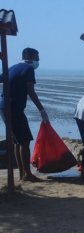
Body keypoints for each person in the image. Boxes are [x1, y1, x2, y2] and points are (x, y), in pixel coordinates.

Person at [0, 47, 48, 182]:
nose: (38, 61)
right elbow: (31, 91)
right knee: (25, 140)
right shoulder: (28, 69)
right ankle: (28, 175)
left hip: (5, 107)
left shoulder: (13, 67)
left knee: (18, 141)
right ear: (31, 56)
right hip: (13, 108)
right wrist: (42, 110)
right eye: (37, 57)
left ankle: (22, 174)